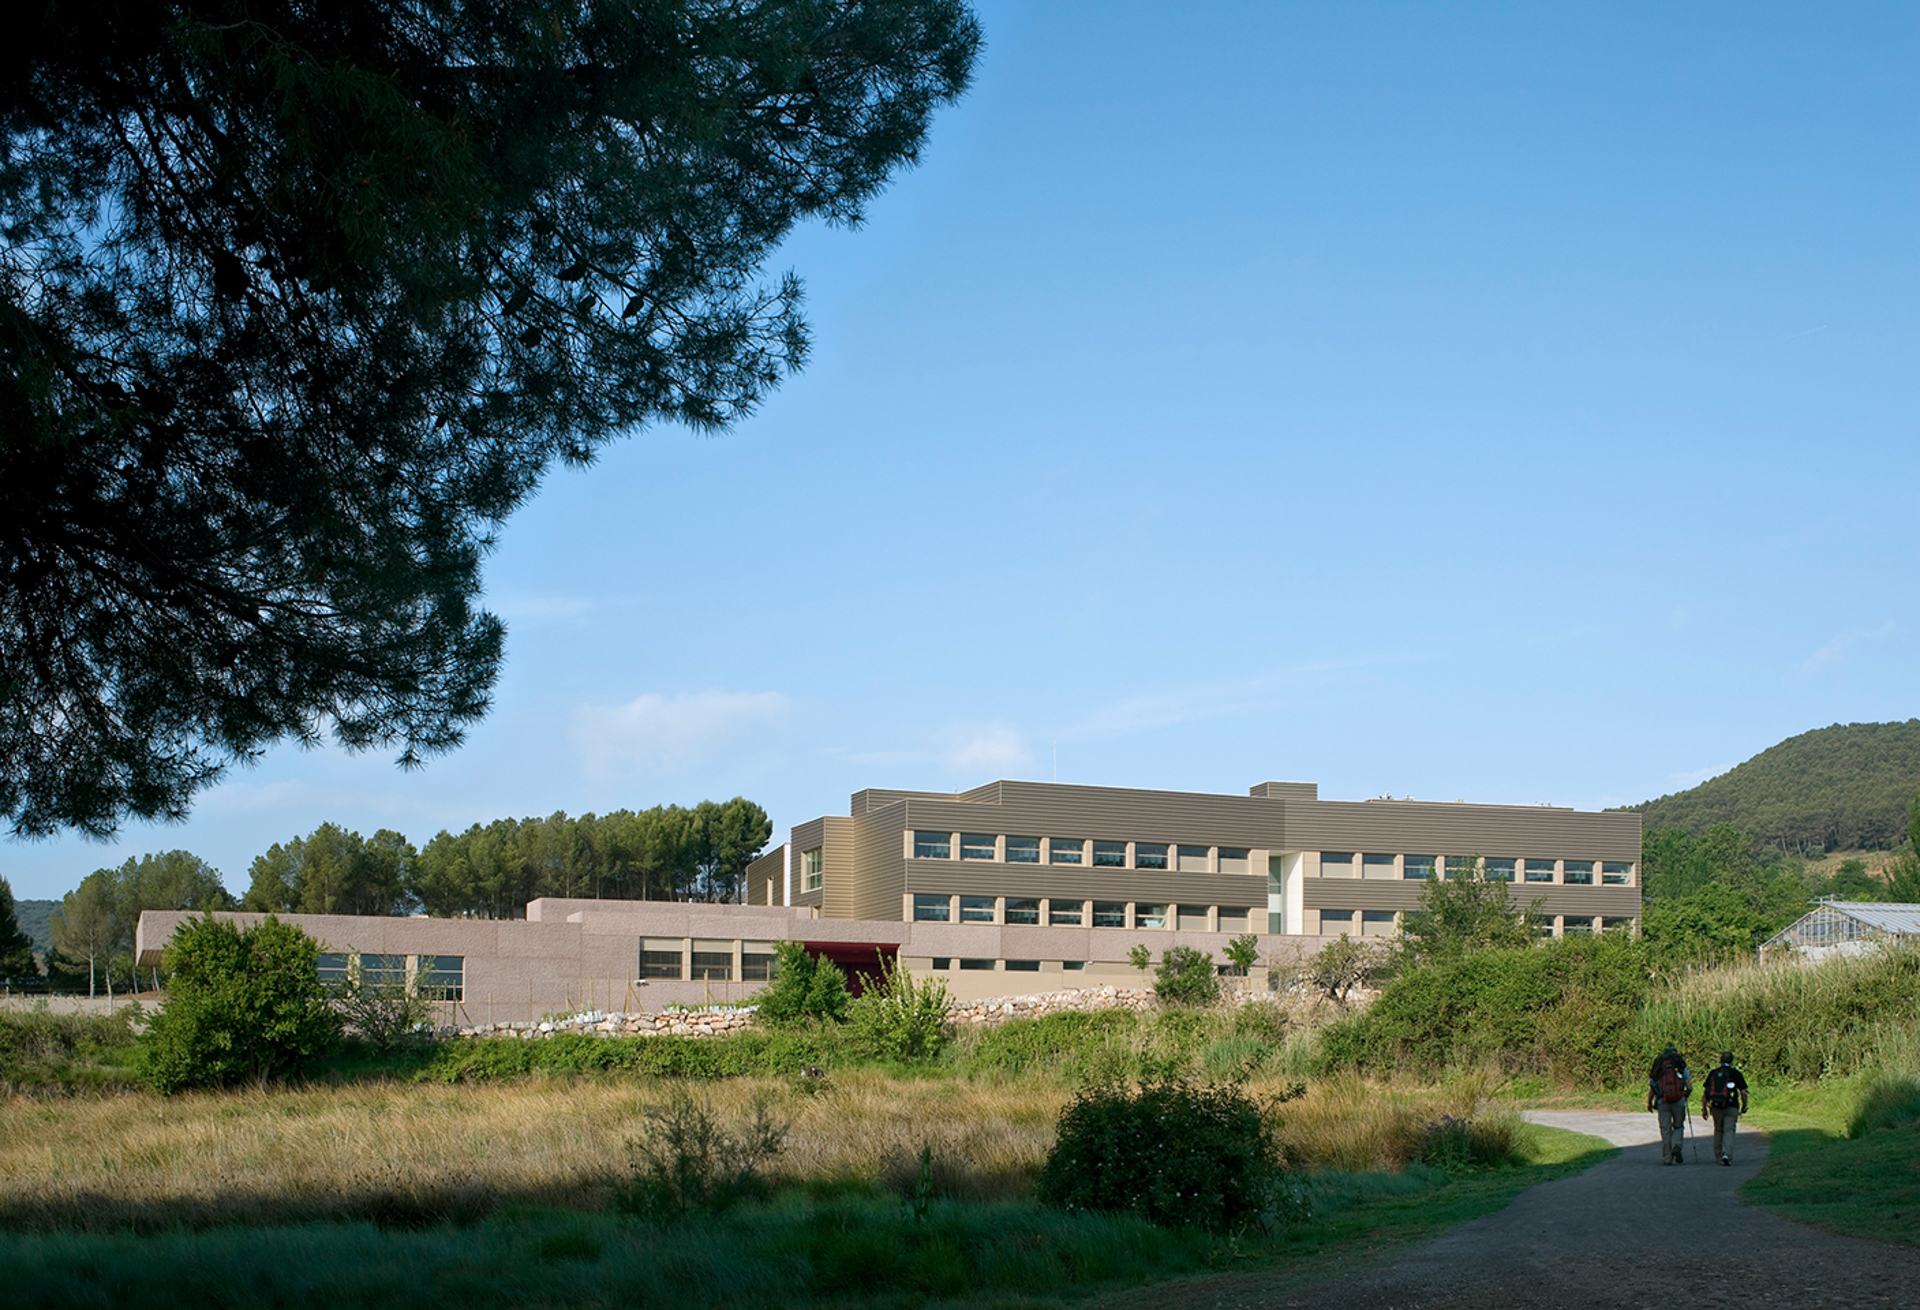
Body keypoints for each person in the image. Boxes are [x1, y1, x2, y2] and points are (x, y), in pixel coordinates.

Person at [1701, 1052, 1749, 1165]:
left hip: (1716, 1106)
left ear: (1720, 1061)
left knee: (1718, 1130)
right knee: (1729, 1130)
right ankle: (1726, 1154)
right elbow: (1743, 1092)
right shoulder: (1735, 1073)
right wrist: (1743, 1106)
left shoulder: (1713, 1073)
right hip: (1731, 1106)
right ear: (1732, 1062)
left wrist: (1704, 1108)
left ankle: (1718, 1156)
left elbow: (1705, 1093)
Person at [1647, 1045, 1692, 1164]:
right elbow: (1689, 1086)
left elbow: (1652, 1087)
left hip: (1663, 1101)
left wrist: (1650, 1102)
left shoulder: (1659, 1068)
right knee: (1678, 1126)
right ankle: (1676, 1145)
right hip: (1679, 1100)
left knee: (1665, 1129)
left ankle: (1667, 1157)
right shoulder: (1680, 1067)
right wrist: (1685, 1094)